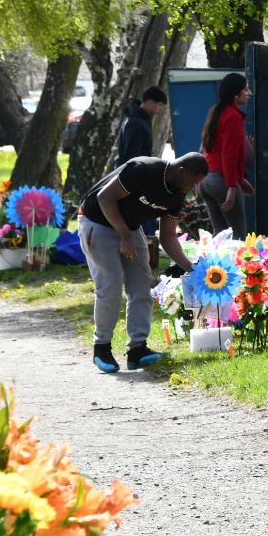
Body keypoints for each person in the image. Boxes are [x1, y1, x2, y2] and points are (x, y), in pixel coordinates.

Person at [78, 152, 209, 373]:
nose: (192, 188)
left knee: (141, 287)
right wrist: (125, 236)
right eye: (192, 182)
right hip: (97, 221)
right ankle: (102, 348)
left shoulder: (177, 194)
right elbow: (104, 198)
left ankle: (137, 350)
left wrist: (191, 268)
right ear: (180, 171)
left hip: (129, 227)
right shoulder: (143, 168)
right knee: (110, 283)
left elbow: (167, 236)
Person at [115, 86, 168, 267]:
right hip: (134, 177)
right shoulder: (136, 123)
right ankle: (142, 250)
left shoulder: (140, 119)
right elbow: (132, 156)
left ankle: (145, 250)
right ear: (150, 103)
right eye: (159, 106)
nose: (160, 110)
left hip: (139, 173)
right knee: (143, 214)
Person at [200, 73, 254, 238]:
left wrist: (240, 179)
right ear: (236, 94)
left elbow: (215, 150)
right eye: (246, 89)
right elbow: (228, 155)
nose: (249, 93)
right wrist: (232, 187)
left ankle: (214, 265)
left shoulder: (217, 111)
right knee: (238, 235)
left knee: (220, 234)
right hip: (221, 181)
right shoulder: (233, 117)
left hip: (206, 180)